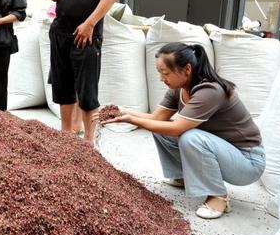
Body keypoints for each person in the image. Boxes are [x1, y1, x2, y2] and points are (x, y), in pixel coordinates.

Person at [100, 42, 265, 220]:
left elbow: (176, 128)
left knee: (190, 137)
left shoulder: (210, 91)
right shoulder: (178, 89)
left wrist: (132, 120)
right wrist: (123, 111)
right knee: (160, 128)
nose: (161, 78)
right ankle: (183, 177)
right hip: (223, 150)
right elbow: (156, 119)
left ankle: (218, 196)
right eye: (159, 72)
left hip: (247, 162)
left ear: (186, 69)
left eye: (165, 72)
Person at [45, 0, 119, 143]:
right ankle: (66, 137)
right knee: (63, 87)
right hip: (61, 31)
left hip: (85, 34)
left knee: (87, 91)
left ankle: (89, 142)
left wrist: (89, 23)